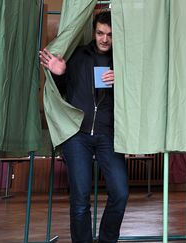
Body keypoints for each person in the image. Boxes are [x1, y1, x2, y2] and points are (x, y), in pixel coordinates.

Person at [40, 11, 129, 243]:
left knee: (120, 193)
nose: (105, 39)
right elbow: (62, 92)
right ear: (93, 32)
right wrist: (59, 74)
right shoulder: (79, 55)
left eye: (109, 34)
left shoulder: (123, 61)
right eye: (100, 33)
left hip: (108, 135)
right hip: (77, 135)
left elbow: (134, 98)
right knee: (80, 200)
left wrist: (123, 80)